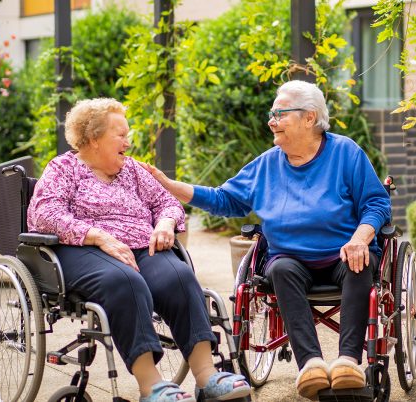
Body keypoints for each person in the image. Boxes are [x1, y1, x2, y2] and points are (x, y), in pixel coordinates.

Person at [141, 80, 391, 400]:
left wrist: (361, 237)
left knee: (360, 264)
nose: (271, 120)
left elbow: (377, 203)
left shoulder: (345, 153)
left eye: (279, 113)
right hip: (291, 259)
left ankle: (347, 362)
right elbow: (224, 199)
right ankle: (311, 364)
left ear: (309, 118)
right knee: (282, 270)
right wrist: (169, 185)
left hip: (344, 252)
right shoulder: (267, 164)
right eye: (271, 113)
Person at [27, 98, 250, 402]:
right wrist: (97, 236)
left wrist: (165, 224)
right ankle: (152, 386)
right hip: (83, 249)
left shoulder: (132, 170)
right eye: (120, 135)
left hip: (141, 246)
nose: (128, 142)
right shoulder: (64, 169)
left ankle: (207, 376)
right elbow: (45, 214)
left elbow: (167, 202)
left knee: (180, 278)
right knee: (125, 282)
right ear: (93, 139)